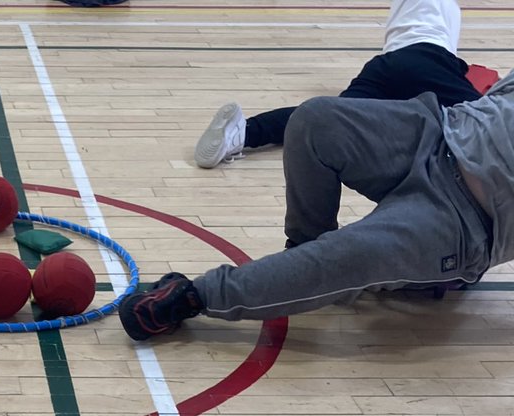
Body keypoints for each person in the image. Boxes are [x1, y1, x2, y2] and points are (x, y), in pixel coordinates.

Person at [119, 68, 509, 340]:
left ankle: (194, 297)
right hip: (433, 129)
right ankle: (305, 250)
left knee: (355, 253)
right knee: (314, 119)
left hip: (464, 219)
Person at [195, 0, 485, 169]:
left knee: (329, 116)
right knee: (491, 116)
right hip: (427, 60)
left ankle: (243, 132)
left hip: (386, 66)